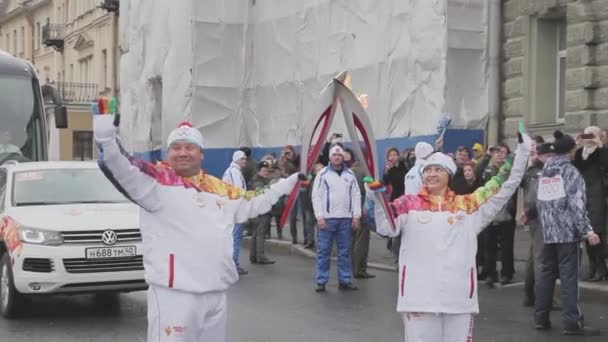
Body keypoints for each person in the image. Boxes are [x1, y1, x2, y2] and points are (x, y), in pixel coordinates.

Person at [93, 116, 301, 342]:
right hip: (175, 294)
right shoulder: (155, 182)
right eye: (176, 148)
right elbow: (122, 166)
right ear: (168, 153)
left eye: (189, 147)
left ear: (201, 153)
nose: (182, 152)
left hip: (215, 291)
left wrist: (287, 183)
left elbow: (253, 201)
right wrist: (107, 139)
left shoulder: (219, 188)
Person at [368, 131, 531, 342]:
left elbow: (505, 187)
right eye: (428, 170)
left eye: (438, 170)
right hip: (419, 299)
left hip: (458, 299)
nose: (431, 174)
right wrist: (375, 198)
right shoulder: (408, 204)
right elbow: (385, 227)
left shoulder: (467, 207)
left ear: (449, 175)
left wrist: (522, 154)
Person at [535, 131, 602, 336]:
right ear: (571, 150)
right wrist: (588, 231)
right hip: (567, 233)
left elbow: (541, 202)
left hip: (548, 232)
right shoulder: (570, 172)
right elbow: (577, 205)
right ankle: (572, 322)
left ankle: (541, 318)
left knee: (546, 275)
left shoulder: (547, 169)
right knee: (569, 278)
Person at [312, 145, 361, 292]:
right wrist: (320, 216)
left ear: (343, 157)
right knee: (324, 251)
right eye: (334, 155)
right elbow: (316, 196)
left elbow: (356, 195)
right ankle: (321, 280)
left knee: (344, 251)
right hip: (327, 220)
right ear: (330, 157)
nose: (337, 157)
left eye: (340, 155)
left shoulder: (350, 174)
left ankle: (345, 280)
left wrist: (356, 215)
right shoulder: (322, 174)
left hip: (345, 219)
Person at [477, 143, 517, 287]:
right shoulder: (487, 169)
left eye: (502, 152)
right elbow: (478, 179)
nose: (499, 155)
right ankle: (490, 273)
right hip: (490, 212)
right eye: (496, 152)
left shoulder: (511, 170)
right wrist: (486, 155)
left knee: (507, 246)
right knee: (490, 246)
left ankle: (506, 273)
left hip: (506, 212)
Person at [573, 126, 608, 281]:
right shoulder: (581, 153)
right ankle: (593, 267)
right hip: (584, 194)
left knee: (597, 231)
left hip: (598, 194)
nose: (588, 138)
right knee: (587, 231)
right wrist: (575, 146)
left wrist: (599, 144)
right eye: (586, 134)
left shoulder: (602, 151)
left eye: (591, 135)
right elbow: (575, 168)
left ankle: (601, 268)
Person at [520, 138, 550, 307]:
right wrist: (529, 213)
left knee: (534, 257)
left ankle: (530, 295)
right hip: (539, 218)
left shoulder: (532, 169)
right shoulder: (537, 170)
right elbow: (533, 199)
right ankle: (542, 299)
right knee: (541, 259)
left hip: (535, 217)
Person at [223, 150, 249, 275]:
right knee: (235, 237)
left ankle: (231, 263)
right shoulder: (234, 172)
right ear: (237, 159)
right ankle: (233, 264)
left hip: (232, 208)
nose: (245, 161)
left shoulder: (234, 171)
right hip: (235, 209)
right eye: (242, 158)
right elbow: (238, 191)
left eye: (245, 158)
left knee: (233, 237)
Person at [248, 160, 276, 265]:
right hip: (261, 211)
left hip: (256, 211)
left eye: (267, 171)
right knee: (260, 234)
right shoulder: (258, 183)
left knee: (255, 234)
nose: (266, 173)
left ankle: (254, 256)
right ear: (258, 171)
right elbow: (263, 195)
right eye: (264, 171)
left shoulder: (257, 181)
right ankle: (260, 256)